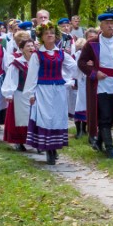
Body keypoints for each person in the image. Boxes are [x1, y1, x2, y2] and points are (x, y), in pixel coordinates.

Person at [24, 22, 78, 164]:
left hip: (59, 90)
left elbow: (74, 67)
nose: (49, 35)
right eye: (46, 33)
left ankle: (54, 147)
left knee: (57, 118)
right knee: (46, 118)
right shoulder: (37, 55)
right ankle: (48, 149)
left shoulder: (61, 54)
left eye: (52, 33)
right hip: (43, 90)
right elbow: (32, 75)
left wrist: (85, 71)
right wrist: (31, 93)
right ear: (41, 36)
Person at [77, 11, 113, 158]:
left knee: (112, 115)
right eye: (107, 23)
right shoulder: (91, 43)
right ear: (101, 25)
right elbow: (81, 63)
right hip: (100, 85)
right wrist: (94, 73)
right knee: (104, 115)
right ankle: (110, 148)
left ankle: (99, 141)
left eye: (112, 23)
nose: (110, 25)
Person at [1, 34, 34, 151]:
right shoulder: (17, 64)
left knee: (34, 117)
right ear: (21, 49)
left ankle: (35, 141)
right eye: (28, 46)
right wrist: (9, 93)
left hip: (34, 96)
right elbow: (11, 79)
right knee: (21, 118)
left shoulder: (37, 62)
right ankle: (19, 141)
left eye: (32, 45)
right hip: (20, 94)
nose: (31, 48)